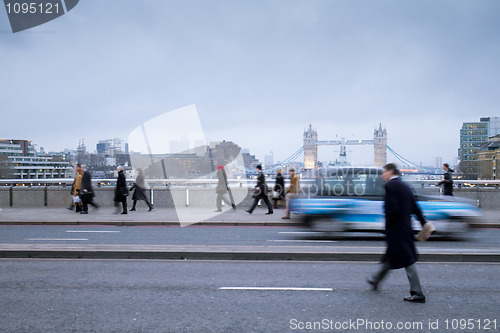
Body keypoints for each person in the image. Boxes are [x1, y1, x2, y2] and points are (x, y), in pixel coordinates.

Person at [367, 163, 430, 303]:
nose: (382, 175)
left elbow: (392, 210)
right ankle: (375, 280)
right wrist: (424, 225)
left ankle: (418, 292)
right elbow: (416, 208)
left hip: (396, 230)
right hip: (406, 228)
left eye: (384, 172)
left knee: (407, 259)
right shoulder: (405, 186)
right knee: (391, 256)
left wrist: (388, 227)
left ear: (391, 171)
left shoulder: (390, 186)